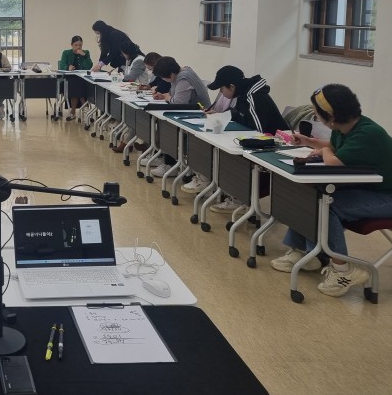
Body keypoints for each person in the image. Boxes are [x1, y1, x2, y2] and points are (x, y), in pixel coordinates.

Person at [270, 84, 392, 298]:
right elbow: (334, 147)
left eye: (317, 112)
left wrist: (324, 150)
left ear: (332, 116)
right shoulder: (345, 127)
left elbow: (333, 159)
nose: (315, 114)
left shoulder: (368, 133)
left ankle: (343, 270)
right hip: (369, 190)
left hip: (386, 197)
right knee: (310, 197)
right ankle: (307, 254)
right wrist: (309, 141)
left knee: (327, 205)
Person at [190, 65, 290, 203]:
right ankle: (231, 193)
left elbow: (259, 133)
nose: (221, 93)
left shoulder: (253, 98)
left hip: (273, 148)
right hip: (258, 142)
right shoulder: (242, 94)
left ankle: (239, 199)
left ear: (231, 87)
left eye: (222, 89)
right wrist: (220, 115)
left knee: (231, 157)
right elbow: (238, 114)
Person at [148, 57, 211, 177]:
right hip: (189, 112)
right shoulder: (180, 73)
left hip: (199, 114)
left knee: (167, 127)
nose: (164, 80)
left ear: (171, 74)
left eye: (164, 78)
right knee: (164, 124)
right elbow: (174, 95)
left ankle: (171, 165)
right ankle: (167, 161)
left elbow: (178, 102)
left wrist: (167, 97)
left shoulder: (183, 79)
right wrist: (164, 96)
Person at [59, 35, 93, 120]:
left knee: (78, 83)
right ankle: (85, 107)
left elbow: (89, 66)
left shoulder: (86, 52)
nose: (78, 47)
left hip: (83, 78)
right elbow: (61, 65)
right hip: (70, 78)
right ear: (71, 45)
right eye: (76, 45)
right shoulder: (66, 53)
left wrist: (84, 56)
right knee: (75, 83)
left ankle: (73, 111)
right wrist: (68, 67)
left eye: (80, 45)